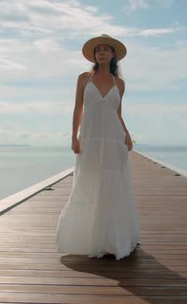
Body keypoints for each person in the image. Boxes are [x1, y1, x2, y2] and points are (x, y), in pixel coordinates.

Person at [55, 34, 141, 260]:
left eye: (106, 49)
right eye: (98, 50)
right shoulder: (84, 78)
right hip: (90, 138)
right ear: (94, 55)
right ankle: (91, 238)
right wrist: (74, 136)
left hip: (114, 138)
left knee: (112, 185)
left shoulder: (119, 83)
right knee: (89, 182)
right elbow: (77, 109)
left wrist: (128, 135)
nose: (101, 52)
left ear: (113, 55)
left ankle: (112, 239)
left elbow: (117, 113)